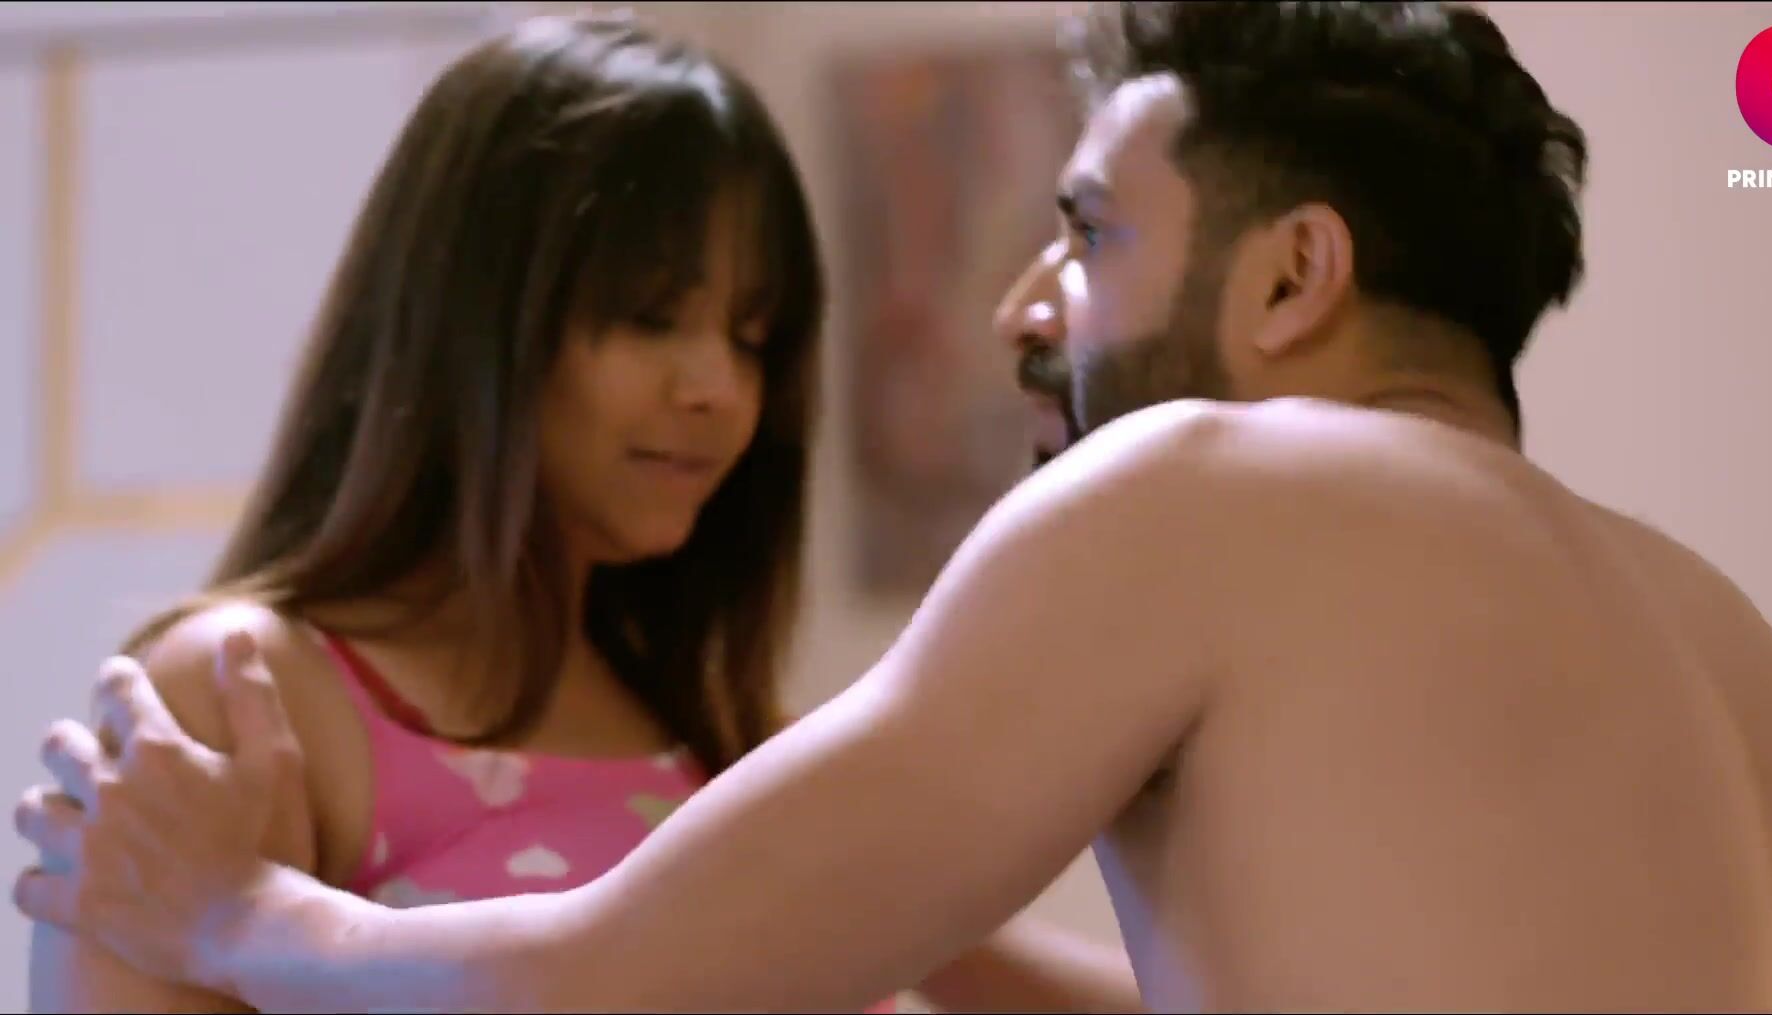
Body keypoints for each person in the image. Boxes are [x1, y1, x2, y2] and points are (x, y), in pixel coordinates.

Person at [13, 1, 1772, 1011]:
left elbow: (607, 985)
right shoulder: (1739, 651)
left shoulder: (1207, 484)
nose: (1021, 312)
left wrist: (236, 914)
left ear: (1291, 275)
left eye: (1088, 235)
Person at [9, 11, 1140, 1015]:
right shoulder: (242, 697)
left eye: (752, 337)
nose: (718, 389)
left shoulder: (724, 735)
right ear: (470, 319)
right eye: (650, 318)